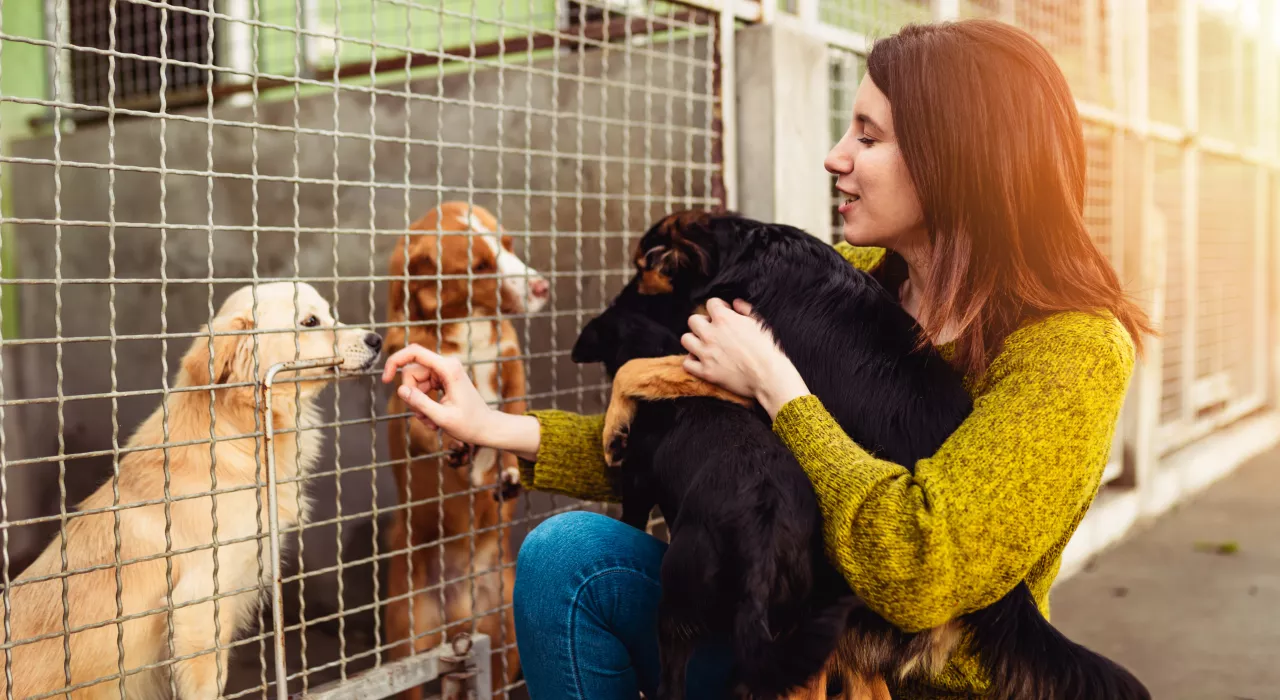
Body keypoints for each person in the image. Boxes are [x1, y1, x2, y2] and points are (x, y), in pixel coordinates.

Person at [381, 18, 1153, 699]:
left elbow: (919, 571)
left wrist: (779, 386)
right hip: (784, 635)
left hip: (919, 686)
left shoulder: (1071, 350)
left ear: (961, 158)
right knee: (567, 556)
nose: (833, 157)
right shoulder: (853, 293)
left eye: (868, 136)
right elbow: (696, 452)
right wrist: (488, 423)